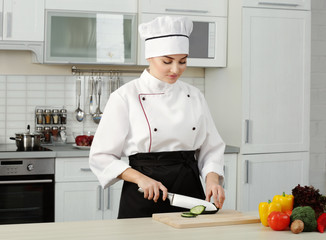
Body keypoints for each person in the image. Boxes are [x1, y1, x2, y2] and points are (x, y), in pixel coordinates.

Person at [89, 15, 225, 219]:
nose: (175, 69)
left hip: (189, 192)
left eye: (183, 61)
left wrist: (212, 179)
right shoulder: (125, 96)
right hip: (145, 194)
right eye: (167, 61)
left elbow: (211, 148)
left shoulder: (194, 95)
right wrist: (140, 179)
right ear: (150, 57)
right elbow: (101, 157)